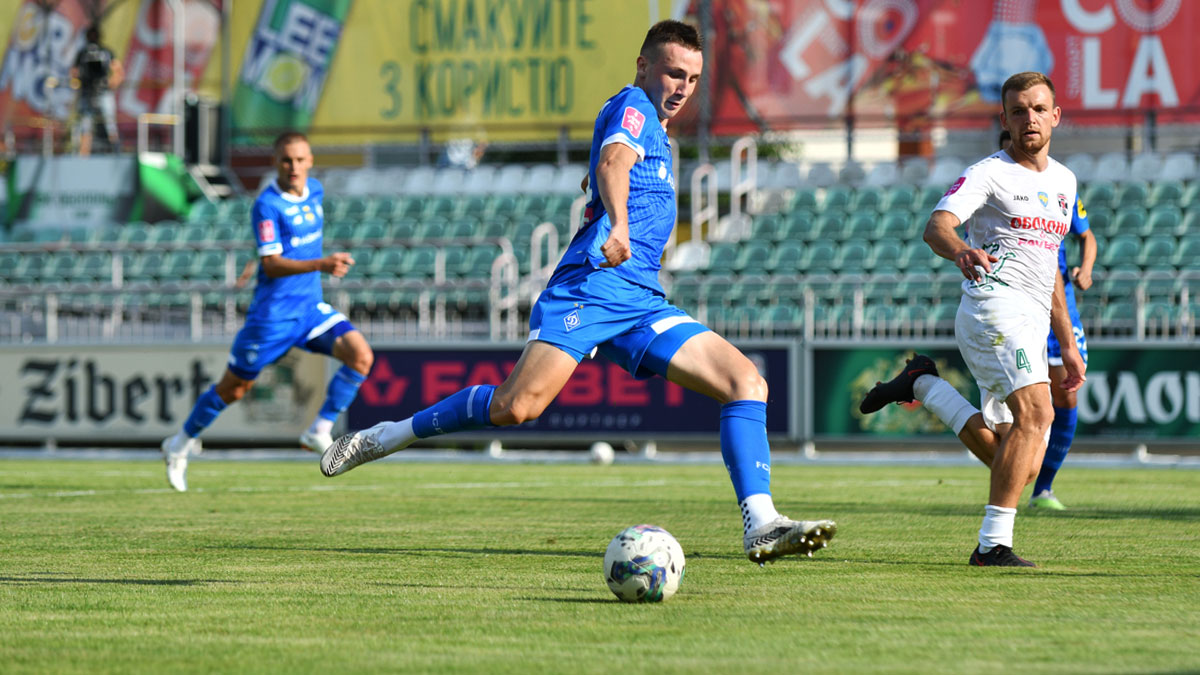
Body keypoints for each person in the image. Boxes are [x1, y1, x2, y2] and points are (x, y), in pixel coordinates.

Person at [320, 20, 836, 565]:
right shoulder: (635, 106)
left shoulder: (655, 131)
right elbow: (614, 162)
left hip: (640, 298)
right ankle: (387, 436)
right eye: (673, 73)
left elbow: (610, 166)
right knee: (516, 407)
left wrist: (604, 189)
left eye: (692, 78)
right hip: (593, 285)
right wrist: (617, 221)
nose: (682, 87)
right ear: (643, 67)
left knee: (745, 382)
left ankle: (761, 524)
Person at [859, 71, 1086, 567]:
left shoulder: (1065, 182)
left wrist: (1067, 343)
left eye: (1038, 109)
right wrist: (961, 250)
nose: (1029, 118)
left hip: (1032, 320)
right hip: (993, 308)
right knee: (1038, 415)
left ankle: (923, 385)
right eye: (1018, 111)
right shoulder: (988, 173)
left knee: (1022, 462)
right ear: (1004, 118)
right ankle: (992, 546)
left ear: (1055, 116)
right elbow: (936, 226)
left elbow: (1050, 269)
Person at [160, 131, 374, 492]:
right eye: (286, 160)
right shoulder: (267, 204)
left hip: (310, 310)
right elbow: (273, 264)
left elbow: (278, 246)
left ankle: (319, 430)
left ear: (310, 161)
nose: (293, 166)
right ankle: (179, 443)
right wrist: (320, 263)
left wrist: (254, 260)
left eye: (300, 159)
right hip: (273, 318)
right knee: (234, 389)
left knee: (361, 356)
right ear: (275, 162)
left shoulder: (315, 190)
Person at [998, 129, 1097, 511]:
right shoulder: (994, 189)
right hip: (1015, 309)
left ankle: (1043, 488)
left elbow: (1087, 236)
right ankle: (1014, 478)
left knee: (1066, 394)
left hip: (1059, 309)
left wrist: (1086, 268)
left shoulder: (1058, 187)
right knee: (1026, 404)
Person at [71, 26, 123, 156]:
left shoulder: (105, 52)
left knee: (110, 123)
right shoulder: (83, 53)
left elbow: (119, 71)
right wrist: (81, 80)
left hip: (104, 92)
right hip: (87, 93)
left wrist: (110, 83)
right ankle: (83, 154)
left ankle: (116, 152)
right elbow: (74, 72)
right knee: (85, 125)